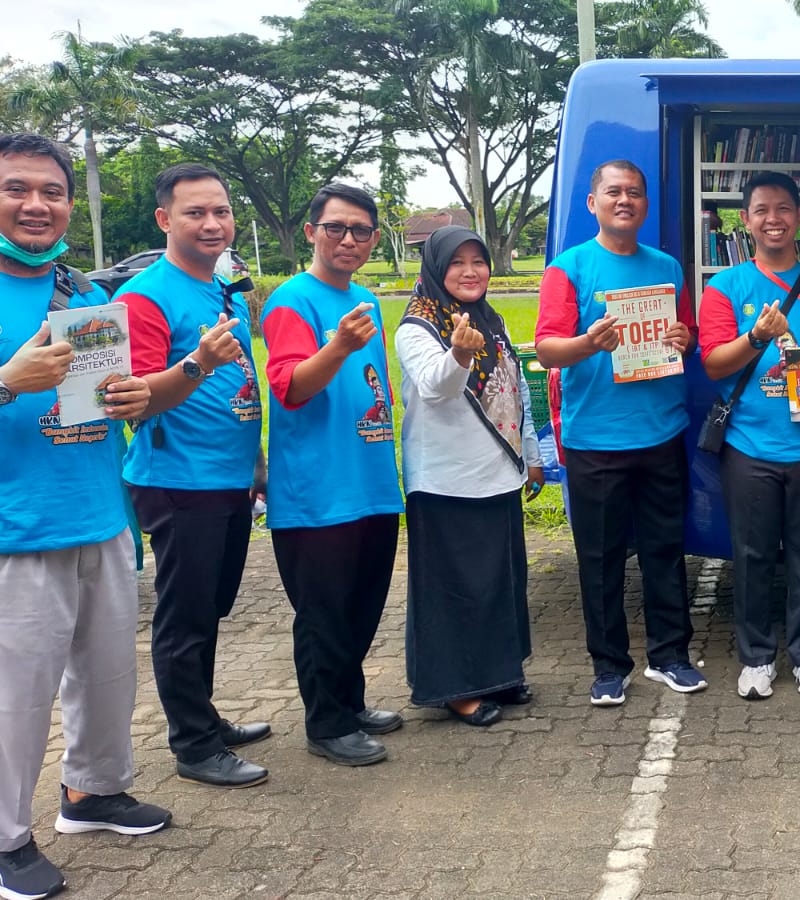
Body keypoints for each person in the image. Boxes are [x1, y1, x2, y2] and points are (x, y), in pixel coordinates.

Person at [0, 132, 170, 900]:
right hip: (16, 526)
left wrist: (135, 395)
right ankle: (6, 840)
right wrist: (7, 378)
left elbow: (113, 397)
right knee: (16, 693)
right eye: (17, 189)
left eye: (52, 191)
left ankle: (92, 792)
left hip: (101, 514)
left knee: (105, 676)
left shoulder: (90, 297)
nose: (36, 205)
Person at [119, 163, 272, 787]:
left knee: (208, 608)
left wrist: (256, 462)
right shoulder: (146, 296)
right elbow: (133, 401)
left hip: (227, 476)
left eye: (221, 212)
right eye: (195, 213)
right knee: (184, 616)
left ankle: (204, 717)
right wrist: (197, 363)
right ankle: (192, 744)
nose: (212, 224)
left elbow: (244, 380)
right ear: (164, 220)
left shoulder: (221, 288)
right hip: (178, 479)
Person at [535, 160, 704, 707]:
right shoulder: (569, 269)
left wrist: (684, 335)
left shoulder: (667, 268)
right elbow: (545, 348)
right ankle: (609, 666)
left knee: (664, 550)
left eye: (634, 193)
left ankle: (671, 656)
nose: (624, 200)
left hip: (661, 431)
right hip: (596, 439)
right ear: (593, 203)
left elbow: (687, 333)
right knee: (601, 558)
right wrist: (589, 343)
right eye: (613, 192)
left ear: (645, 205)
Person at [260, 183, 405, 767]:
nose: (348, 239)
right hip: (316, 490)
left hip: (369, 480)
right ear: (312, 232)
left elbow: (378, 391)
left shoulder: (366, 299)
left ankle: (350, 700)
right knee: (323, 612)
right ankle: (326, 722)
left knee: (364, 604)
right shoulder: (292, 302)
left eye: (361, 231)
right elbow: (291, 387)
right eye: (335, 228)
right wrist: (339, 345)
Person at [699, 171, 800, 700]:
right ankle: (757, 658)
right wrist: (755, 336)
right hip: (750, 449)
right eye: (761, 210)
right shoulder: (725, 287)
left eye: (783, 209)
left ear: (799, 216)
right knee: (753, 556)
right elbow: (714, 365)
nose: (773, 219)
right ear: (746, 220)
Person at [397, 225, 543, 727]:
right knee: (455, 590)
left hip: (497, 475)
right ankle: (457, 689)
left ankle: (500, 673)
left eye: (477, 261)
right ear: (437, 269)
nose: (469, 271)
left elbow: (513, 390)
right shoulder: (416, 327)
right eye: (456, 263)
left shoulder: (490, 318)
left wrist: (531, 453)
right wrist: (458, 353)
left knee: (499, 585)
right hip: (445, 481)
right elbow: (436, 388)